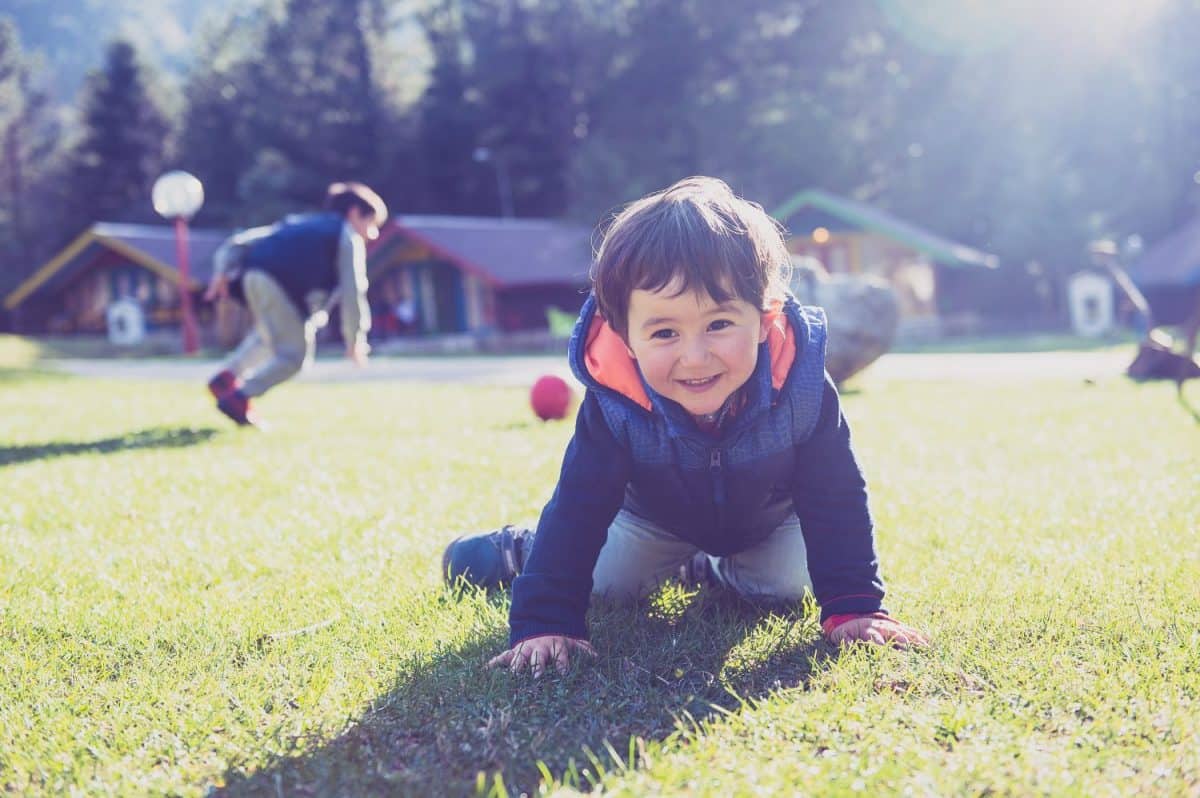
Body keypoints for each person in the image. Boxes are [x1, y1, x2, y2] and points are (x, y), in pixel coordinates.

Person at [443, 176, 928, 677]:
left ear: (764, 320)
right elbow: (579, 505)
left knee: (791, 585)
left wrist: (855, 605)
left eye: (719, 324)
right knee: (609, 584)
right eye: (665, 332)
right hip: (651, 519)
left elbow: (836, 493)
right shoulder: (618, 401)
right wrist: (545, 621)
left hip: (763, 523)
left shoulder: (800, 384)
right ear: (626, 337)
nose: (695, 357)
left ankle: (705, 565)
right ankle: (519, 548)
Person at [203, 182, 386, 426]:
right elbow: (354, 291)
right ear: (354, 213)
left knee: (272, 335)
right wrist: (355, 340)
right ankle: (239, 397)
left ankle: (227, 377)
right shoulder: (346, 236)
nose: (371, 235)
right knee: (294, 355)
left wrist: (222, 272)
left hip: (251, 275)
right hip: (279, 284)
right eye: (371, 224)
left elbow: (238, 242)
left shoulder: (299, 223)